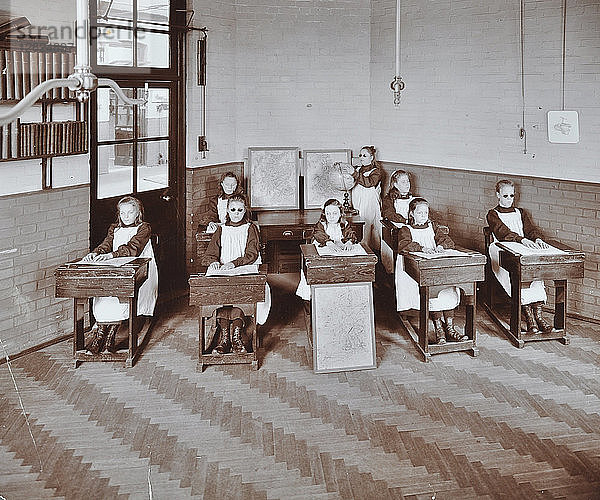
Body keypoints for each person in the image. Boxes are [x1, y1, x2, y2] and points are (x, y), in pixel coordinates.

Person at [82, 196, 158, 354]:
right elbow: (106, 244)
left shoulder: (144, 228)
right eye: (123, 213)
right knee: (102, 293)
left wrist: (111, 256)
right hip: (117, 267)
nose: (126, 216)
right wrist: (95, 253)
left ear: (138, 213)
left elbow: (133, 248)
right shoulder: (114, 228)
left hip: (140, 269)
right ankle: (101, 334)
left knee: (120, 292)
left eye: (131, 212)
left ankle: (111, 335)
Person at [201, 194, 271, 354]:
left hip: (244, 267)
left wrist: (234, 263)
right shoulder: (222, 228)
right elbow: (212, 250)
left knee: (240, 294)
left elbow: (251, 253)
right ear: (227, 210)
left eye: (240, 210)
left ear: (245, 210)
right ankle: (224, 338)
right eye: (233, 210)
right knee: (222, 295)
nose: (236, 213)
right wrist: (213, 261)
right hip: (225, 269)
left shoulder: (250, 228)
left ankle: (236, 336)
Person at [395, 197, 467, 344]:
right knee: (432, 292)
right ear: (412, 214)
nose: (423, 215)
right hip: (414, 271)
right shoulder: (406, 229)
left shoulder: (432, 227)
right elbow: (404, 245)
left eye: (425, 212)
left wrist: (440, 246)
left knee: (448, 289)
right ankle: (439, 329)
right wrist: (422, 248)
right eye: (420, 212)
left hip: (435, 267)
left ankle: (450, 329)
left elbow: (445, 239)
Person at [486, 179, 553, 333]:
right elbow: (502, 232)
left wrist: (536, 238)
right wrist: (521, 239)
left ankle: (539, 317)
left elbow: (530, 229)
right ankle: (529, 317)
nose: (509, 199)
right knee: (516, 274)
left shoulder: (520, 212)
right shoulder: (493, 214)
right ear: (498, 195)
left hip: (523, 246)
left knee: (534, 272)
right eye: (505, 196)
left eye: (511, 196)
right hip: (502, 247)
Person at [296, 198, 359, 301]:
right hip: (323, 252)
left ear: (340, 213)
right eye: (328, 213)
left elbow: (351, 234)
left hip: (338, 255)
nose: (331, 216)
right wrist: (328, 242)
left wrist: (349, 242)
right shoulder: (322, 224)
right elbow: (318, 233)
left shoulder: (344, 225)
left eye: (335, 213)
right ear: (324, 214)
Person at [342, 145, 383, 251]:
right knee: (357, 225)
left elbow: (368, 183)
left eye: (365, 155)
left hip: (369, 203)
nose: (361, 158)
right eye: (360, 155)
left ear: (372, 157)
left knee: (367, 226)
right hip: (358, 202)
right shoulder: (358, 169)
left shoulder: (376, 171)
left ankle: (367, 250)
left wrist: (354, 173)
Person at [381, 169, 415, 273]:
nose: (407, 184)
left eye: (408, 181)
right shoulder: (389, 199)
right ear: (395, 184)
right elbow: (389, 214)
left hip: (410, 227)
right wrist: (405, 220)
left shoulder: (412, 198)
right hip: (396, 229)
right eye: (403, 182)